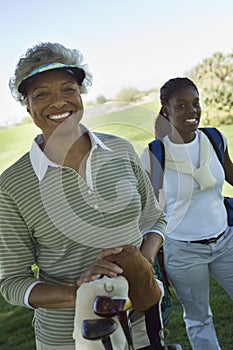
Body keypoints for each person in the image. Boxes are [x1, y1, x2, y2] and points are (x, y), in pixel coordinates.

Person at [0, 42, 167, 350]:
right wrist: (79, 293)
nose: (58, 102)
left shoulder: (121, 149)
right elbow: (12, 283)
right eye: (41, 94)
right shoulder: (11, 185)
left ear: (81, 93)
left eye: (68, 89)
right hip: (68, 338)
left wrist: (142, 262)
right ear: (27, 105)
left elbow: (154, 217)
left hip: (142, 325)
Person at [140, 77, 233, 350]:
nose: (192, 111)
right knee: (198, 317)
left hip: (226, 242)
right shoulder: (155, 154)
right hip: (182, 251)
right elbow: (149, 209)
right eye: (181, 105)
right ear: (166, 110)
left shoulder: (215, 138)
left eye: (195, 103)